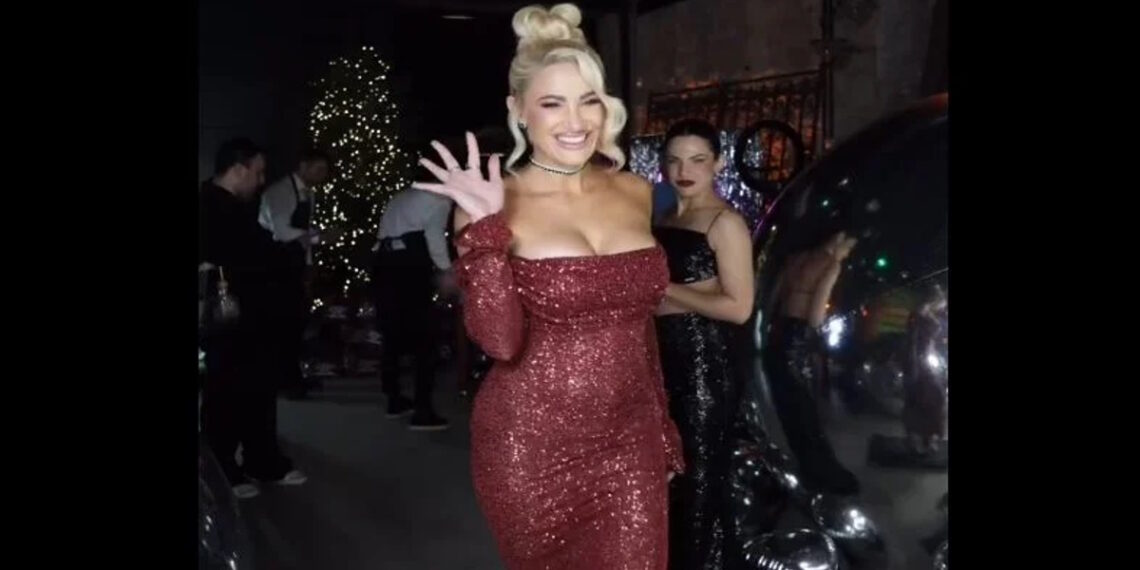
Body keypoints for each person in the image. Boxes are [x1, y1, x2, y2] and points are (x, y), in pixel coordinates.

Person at [411, 4, 683, 568]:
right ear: (518, 110)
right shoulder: (492, 205)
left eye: (589, 100)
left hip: (630, 440)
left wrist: (660, 424)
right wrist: (485, 232)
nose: (575, 121)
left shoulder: (635, 191)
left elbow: (639, 329)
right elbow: (500, 341)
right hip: (531, 445)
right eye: (553, 103)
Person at [652, 118, 755, 569]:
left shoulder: (724, 222)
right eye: (674, 160)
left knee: (698, 484)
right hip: (667, 361)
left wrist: (666, 289)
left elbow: (739, 308)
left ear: (718, 163)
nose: (684, 170)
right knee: (678, 484)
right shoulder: (664, 219)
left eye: (697, 160)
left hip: (705, 367)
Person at [199, 138, 307, 499]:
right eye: (258, 172)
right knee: (227, 391)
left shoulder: (234, 206)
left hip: (253, 316)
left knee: (256, 388)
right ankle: (223, 469)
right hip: (230, 316)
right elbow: (250, 254)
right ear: (238, 168)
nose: (261, 181)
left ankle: (261, 460)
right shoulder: (212, 206)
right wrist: (287, 254)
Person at [764, 230, 860, 495]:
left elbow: (775, 299)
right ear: (838, 240)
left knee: (789, 409)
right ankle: (818, 473)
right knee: (806, 411)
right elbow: (816, 314)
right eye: (848, 248)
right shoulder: (831, 264)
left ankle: (802, 468)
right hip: (799, 337)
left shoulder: (795, 259)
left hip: (778, 334)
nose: (846, 254)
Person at [370, 179, 455, 431]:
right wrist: (447, 271)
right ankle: (422, 410)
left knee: (391, 334)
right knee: (425, 338)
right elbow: (434, 237)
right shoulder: (439, 200)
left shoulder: (405, 195)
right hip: (410, 265)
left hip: (384, 261)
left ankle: (394, 399)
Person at [258, 148, 334, 399]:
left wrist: (308, 263)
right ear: (303, 166)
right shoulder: (281, 191)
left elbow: (301, 235)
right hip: (275, 263)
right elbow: (282, 232)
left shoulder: (307, 193)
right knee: (285, 323)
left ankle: (290, 377)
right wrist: (320, 236)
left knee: (294, 323)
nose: (322, 175)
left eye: (325, 171)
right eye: (318, 169)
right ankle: (285, 381)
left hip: (293, 264)